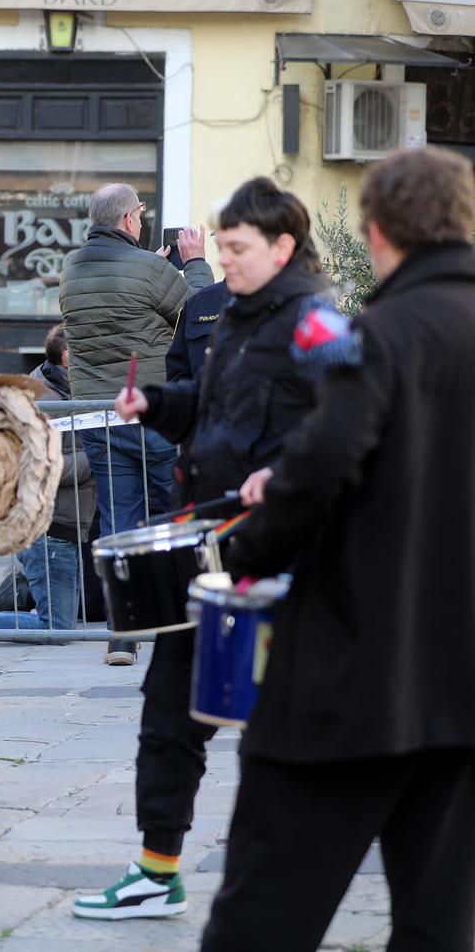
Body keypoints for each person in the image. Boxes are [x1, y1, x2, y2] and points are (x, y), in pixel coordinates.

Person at [198, 148, 475, 950]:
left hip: (353, 675)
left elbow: (320, 463)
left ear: (378, 231)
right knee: (440, 924)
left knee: (264, 913)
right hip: (464, 685)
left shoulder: (372, 336)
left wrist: (247, 548)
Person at [71, 177, 332, 921]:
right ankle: (158, 868)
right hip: (208, 544)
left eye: (238, 248)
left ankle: (284, 877)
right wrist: (155, 401)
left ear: (283, 246)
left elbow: (354, 419)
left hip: (279, 553)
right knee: (169, 711)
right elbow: (209, 410)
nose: (224, 259)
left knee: (271, 727)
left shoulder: (318, 321)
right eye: (219, 246)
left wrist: (283, 474)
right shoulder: (231, 314)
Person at [59, 184, 213, 665]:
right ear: (128, 220)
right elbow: (200, 313)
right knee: (174, 516)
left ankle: (122, 634)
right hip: (148, 414)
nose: (142, 222)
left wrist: (155, 266)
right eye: (140, 215)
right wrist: (193, 263)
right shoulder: (150, 269)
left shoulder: (70, 269)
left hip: (96, 417)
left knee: (120, 521)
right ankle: (184, 624)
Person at [0, 322, 94, 638]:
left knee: (62, 621)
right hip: (49, 527)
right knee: (57, 627)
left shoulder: (62, 390)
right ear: (68, 356)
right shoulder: (43, 399)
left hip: (61, 524)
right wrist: (96, 459)